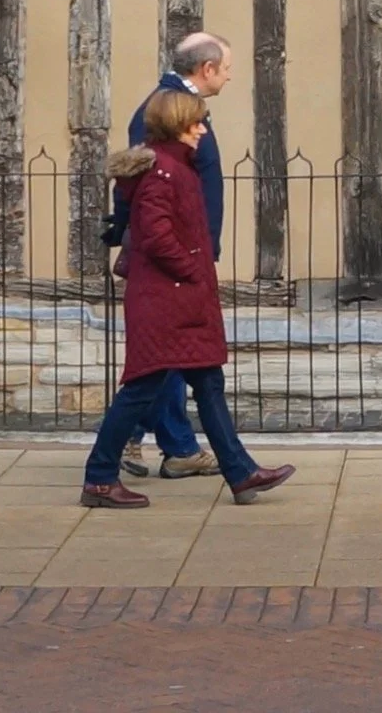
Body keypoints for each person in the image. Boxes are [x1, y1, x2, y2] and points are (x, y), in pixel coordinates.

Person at [81, 88, 292, 509]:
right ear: (178, 125)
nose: (202, 130)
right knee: (141, 387)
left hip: (178, 300)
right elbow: (156, 236)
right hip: (166, 300)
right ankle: (100, 478)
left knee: (209, 383)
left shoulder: (175, 166)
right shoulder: (164, 172)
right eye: (196, 122)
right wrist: (191, 269)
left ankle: (241, 472)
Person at [109, 32, 232, 480]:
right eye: (226, 67)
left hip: (191, 250)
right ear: (207, 68)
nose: (229, 75)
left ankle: (167, 445)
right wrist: (186, 258)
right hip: (175, 259)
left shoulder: (184, 106)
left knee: (179, 359)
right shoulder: (162, 109)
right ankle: (146, 444)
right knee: (168, 358)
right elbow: (145, 183)